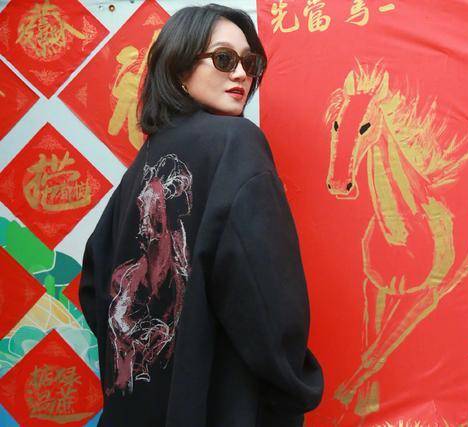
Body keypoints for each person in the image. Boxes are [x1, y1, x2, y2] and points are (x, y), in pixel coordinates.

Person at [78, 4, 324, 426]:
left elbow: (93, 284)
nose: (241, 74)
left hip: (132, 407)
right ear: (178, 68)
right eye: (224, 59)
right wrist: (294, 382)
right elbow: (266, 295)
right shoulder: (236, 142)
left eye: (250, 63)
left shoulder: (145, 161)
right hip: (214, 407)